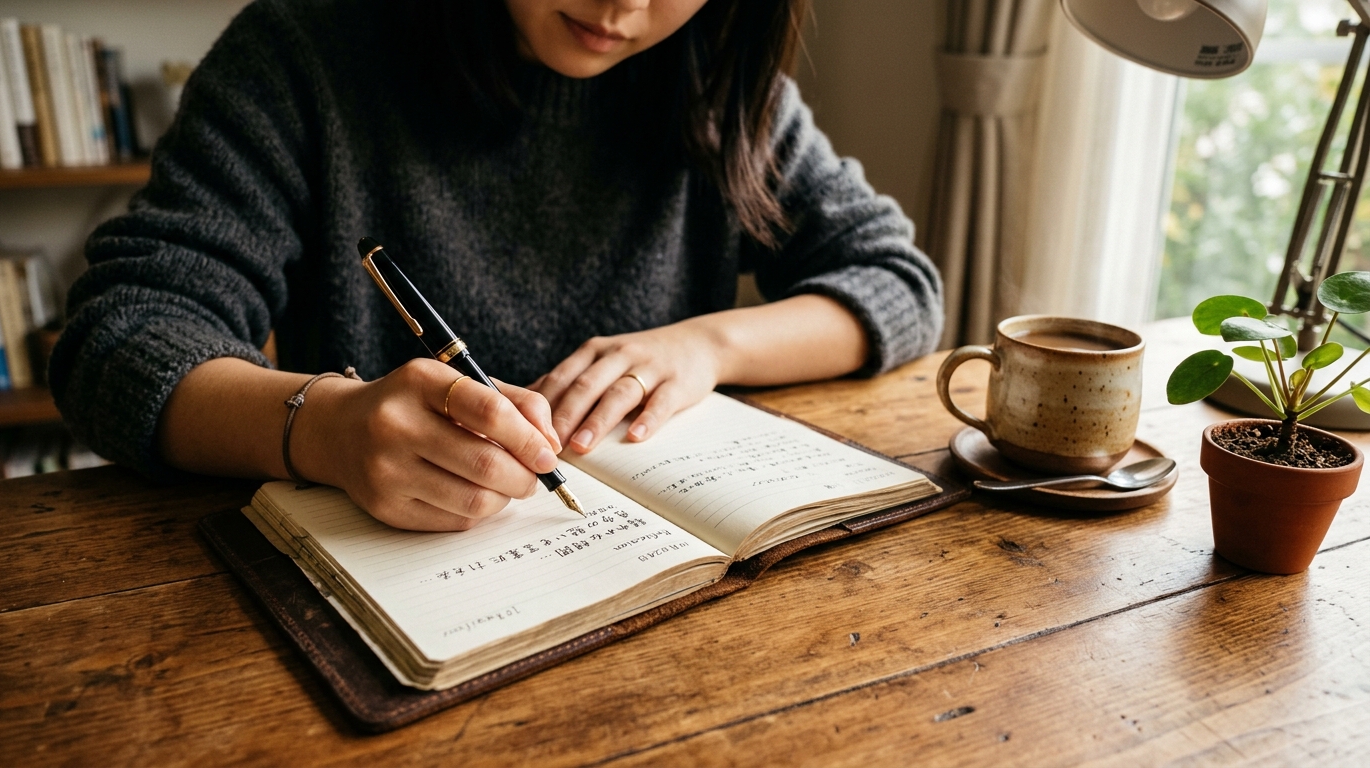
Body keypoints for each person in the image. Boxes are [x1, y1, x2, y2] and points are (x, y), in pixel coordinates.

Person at [49, 0, 943, 532]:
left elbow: (897, 280)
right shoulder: (305, 54)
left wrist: (706, 347)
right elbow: (119, 340)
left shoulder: (713, 81)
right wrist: (324, 428)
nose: (624, 4)